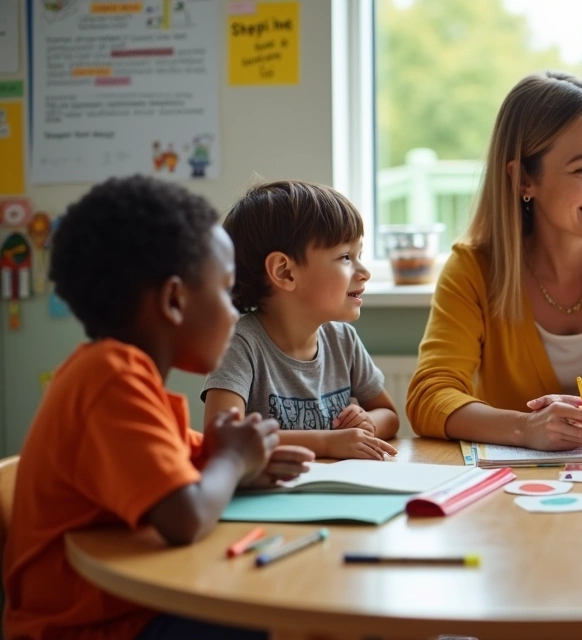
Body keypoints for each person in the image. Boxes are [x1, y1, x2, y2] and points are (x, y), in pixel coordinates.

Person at [3, 176, 313, 640]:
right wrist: (230, 459)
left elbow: (185, 466)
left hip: (132, 610)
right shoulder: (111, 378)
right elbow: (184, 518)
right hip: (92, 629)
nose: (235, 313)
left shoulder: (121, 376)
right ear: (173, 300)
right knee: (288, 622)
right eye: (226, 292)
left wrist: (242, 464)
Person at [406, 71, 582, 451]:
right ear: (523, 179)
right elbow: (430, 396)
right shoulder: (472, 268)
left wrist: (576, 421)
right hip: (510, 490)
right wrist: (527, 428)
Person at [202, 181, 399, 461]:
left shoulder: (342, 340)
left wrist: (368, 423)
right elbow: (221, 436)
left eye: (360, 255)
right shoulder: (240, 345)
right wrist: (327, 442)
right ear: (285, 272)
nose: (364, 272)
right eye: (345, 257)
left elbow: (389, 415)